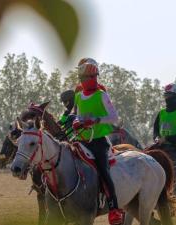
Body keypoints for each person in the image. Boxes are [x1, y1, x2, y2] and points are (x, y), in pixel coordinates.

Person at [71, 61, 124, 225]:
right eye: (86, 77)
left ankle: (114, 208)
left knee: (103, 170)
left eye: (91, 77)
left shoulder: (102, 95)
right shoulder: (78, 96)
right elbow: (78, 116)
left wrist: (96, 120)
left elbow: (114, 117)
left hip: (99, 142)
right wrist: (76, 122)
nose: (89, 79)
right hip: (81, 140)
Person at [153, 83, 176, 174]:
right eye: (165, 95)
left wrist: (167, 139)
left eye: (169, 95)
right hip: (160, 145)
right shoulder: (161, 113)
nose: (166, 98)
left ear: (175, 96)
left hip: (174, 147)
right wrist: (157, 137)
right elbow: (155, 129)